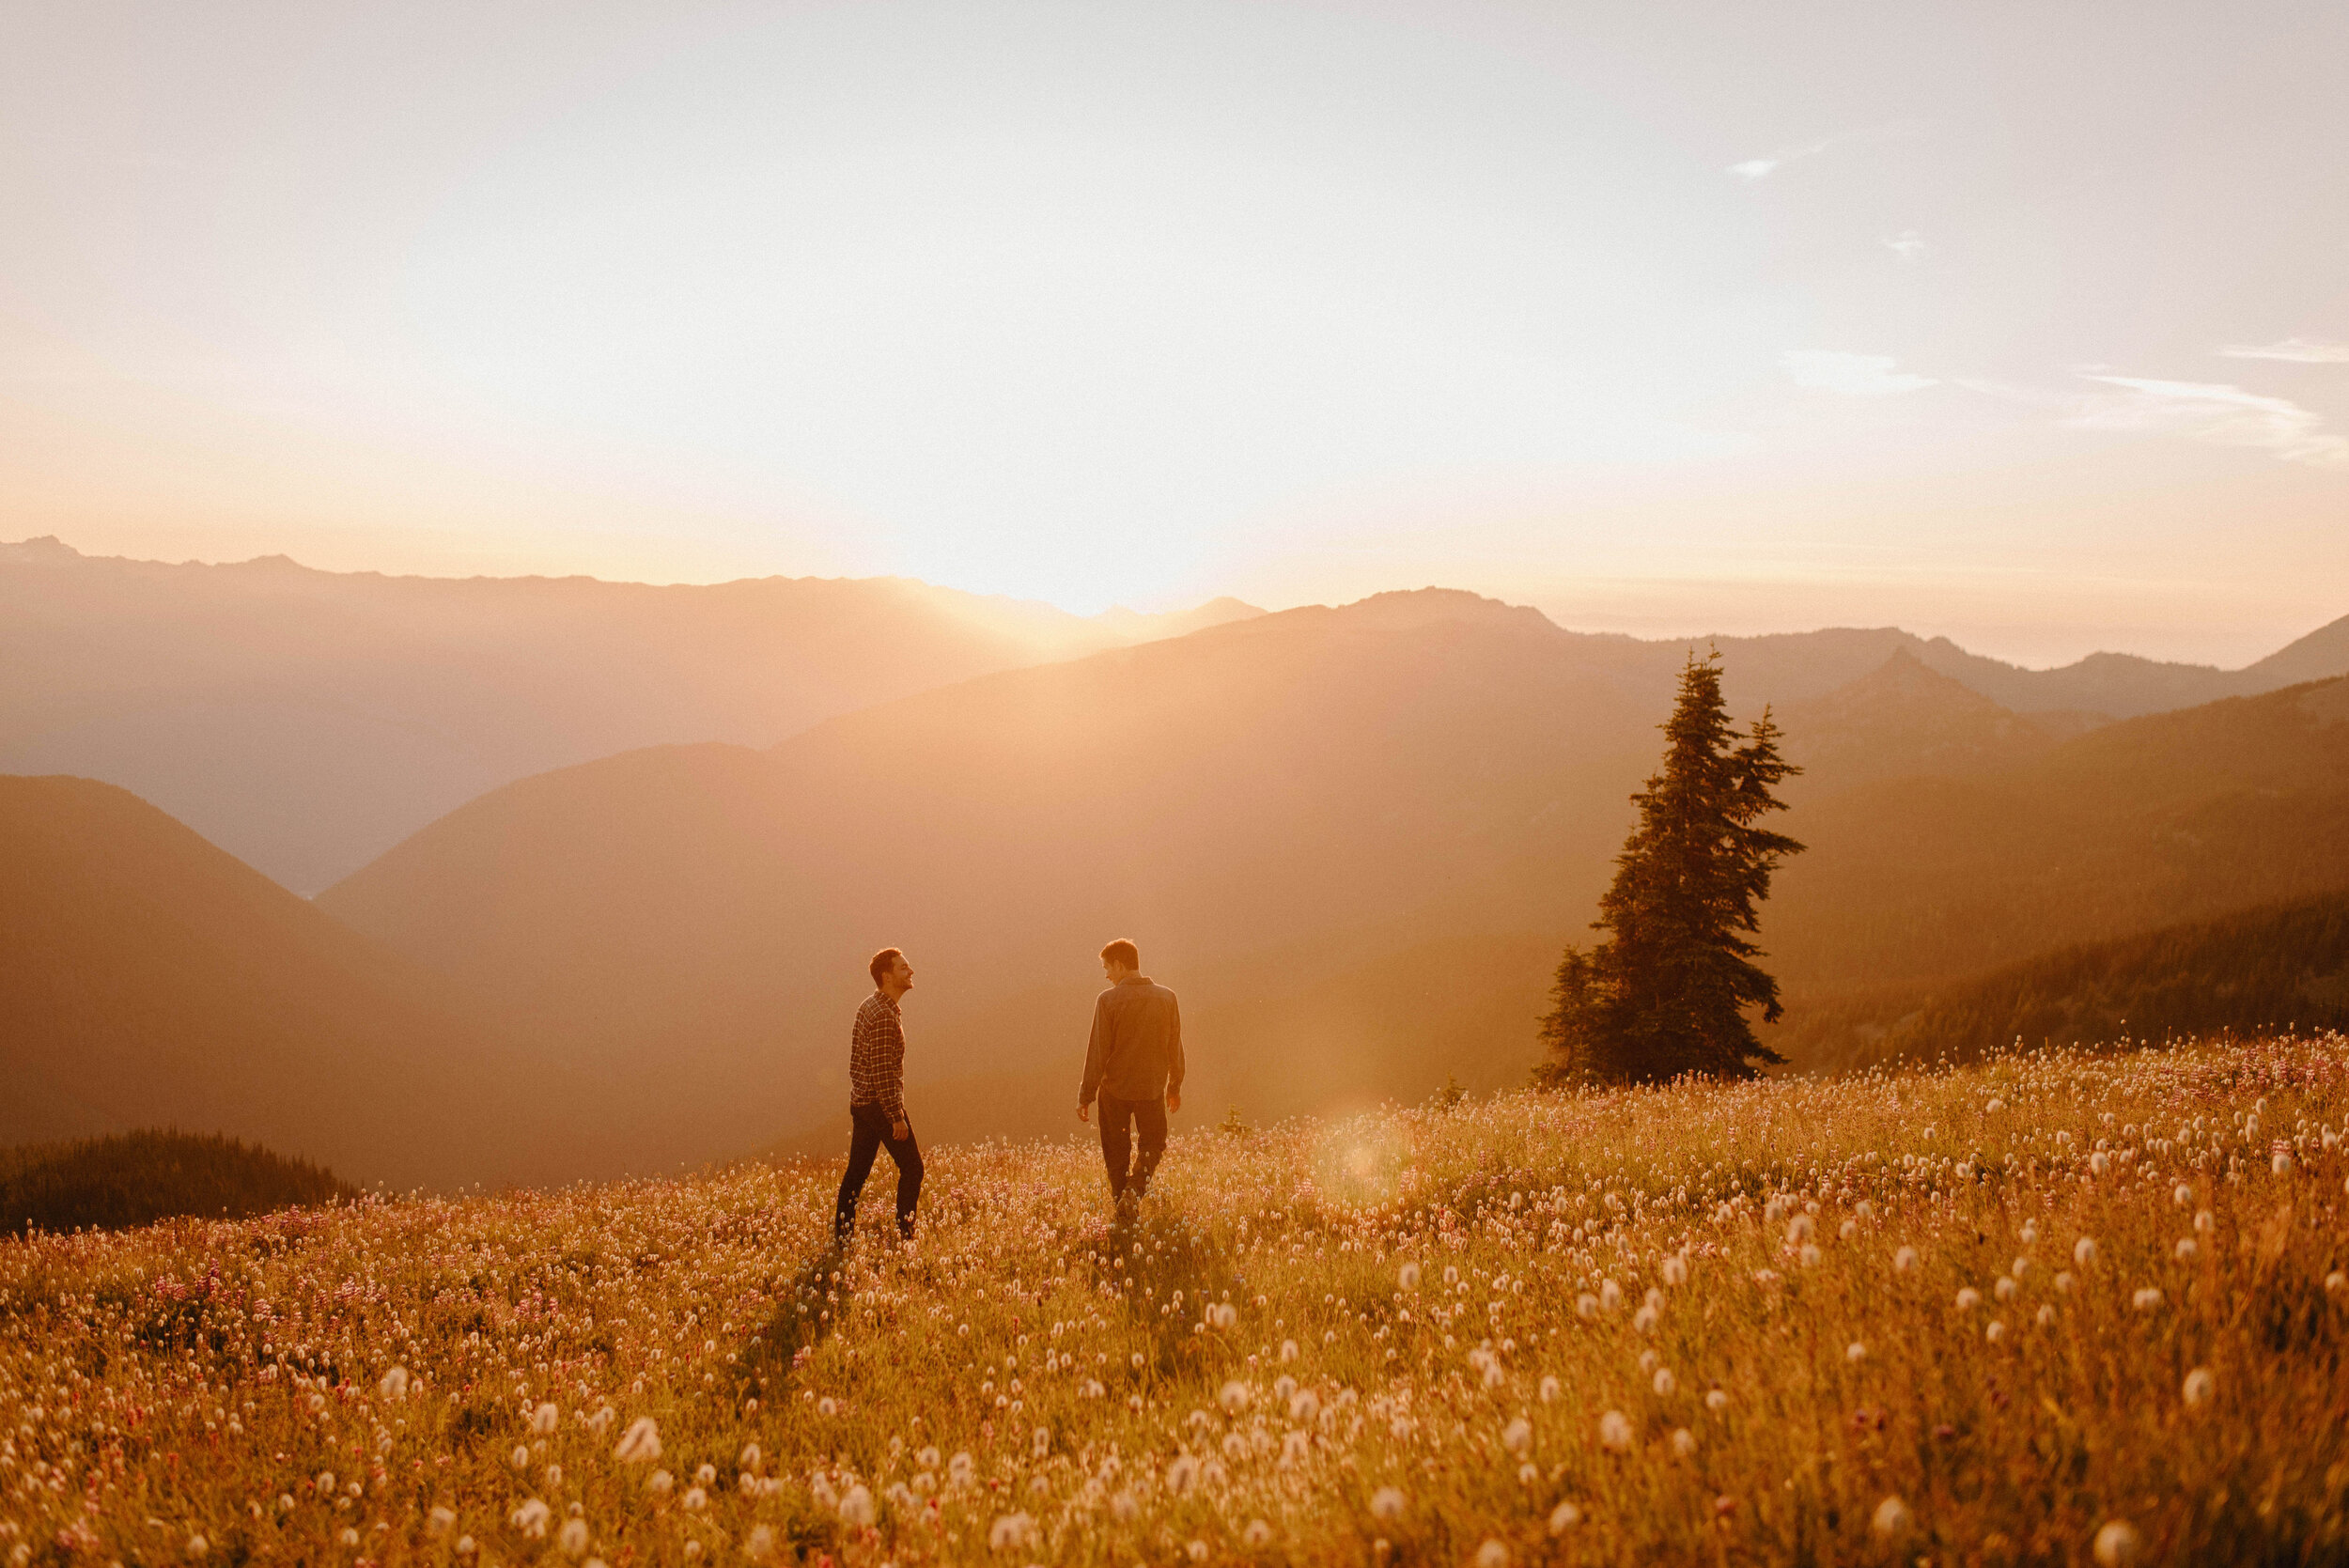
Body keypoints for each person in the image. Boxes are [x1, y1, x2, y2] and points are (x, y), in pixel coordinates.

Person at [1076, 939, 1183, 1208]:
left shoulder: (1108, 1000)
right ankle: (1133, 1193)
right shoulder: (1167, 997)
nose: (1107, 974)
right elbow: (1175, 1046)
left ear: (1120, 965)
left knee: (1116, 1152)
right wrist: (1174, 1086)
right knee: (1153, 1145)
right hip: (1151, 1089)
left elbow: (1097, 1052)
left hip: (1114, 1092)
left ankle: (1122, 1202)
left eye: (1107, 967)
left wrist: (1085, 1095)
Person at [834, 947, 924, 1244]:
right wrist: (896, 1117)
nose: (910, 971)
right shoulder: (885, 1016)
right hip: (880, 1105)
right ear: (887, 976)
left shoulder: (868, 1005)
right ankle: (905, 1237)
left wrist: (862, 1098)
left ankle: (842, 1237)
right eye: (903, 967)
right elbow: (884, 1072)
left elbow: (857, 1060)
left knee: (856, 1174)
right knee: (912, 1168)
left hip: (861, 1102)